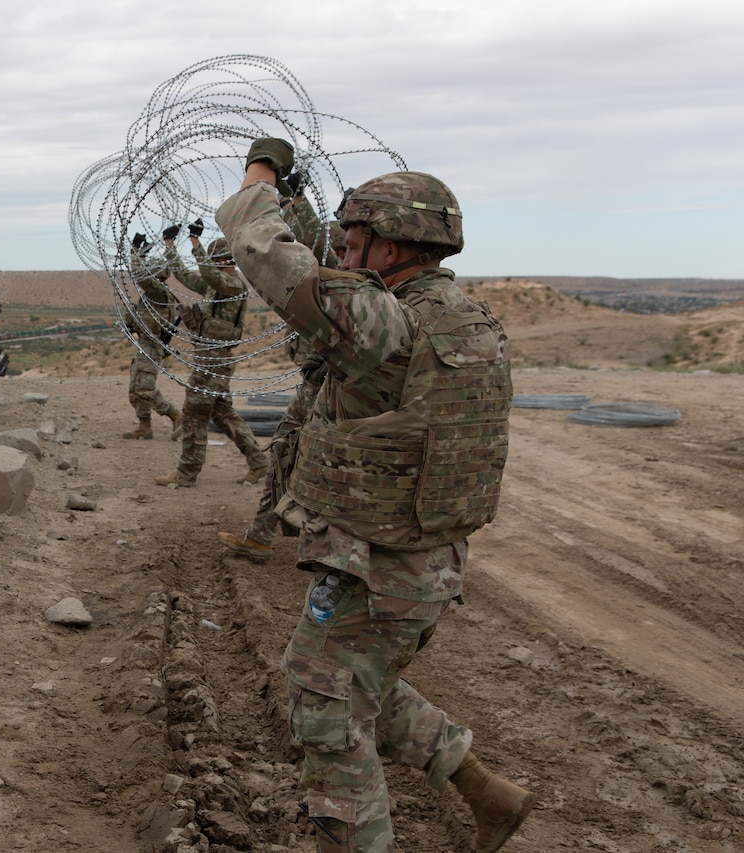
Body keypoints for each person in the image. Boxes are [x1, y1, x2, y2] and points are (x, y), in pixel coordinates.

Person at [214, 137, 532, 853]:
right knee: (363, 682)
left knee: (324, 707)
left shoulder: (385, 325)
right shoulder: (464, 319)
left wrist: (260, 177)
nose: (344, 253)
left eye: (355, 241)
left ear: (390, 250)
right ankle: (488, 793)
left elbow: (267, 250)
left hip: (375, 568)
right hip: (428, 563)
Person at [217, 221, 345, 559]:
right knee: (286, 452)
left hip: (337, 387)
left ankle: (331, 544)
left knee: (326, 463)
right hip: (318, 381)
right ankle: (263, 533)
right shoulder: (339, 287)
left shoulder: (359, 291)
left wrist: (297, 205)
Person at [154, 222, 268, 487]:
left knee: (194, 412)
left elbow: (209, 274)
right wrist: (170, 247)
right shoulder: (213, 286)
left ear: (223, 261)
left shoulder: (232, 286)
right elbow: (183, 275)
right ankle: (258, 462)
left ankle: (186, 473)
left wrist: (195, 243)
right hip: (209, 357)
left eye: (215, 260)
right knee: (222, 413)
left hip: (215, 360)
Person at [122, 230, 183, 440]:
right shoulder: (151, 295)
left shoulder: (159, 293)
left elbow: (139, 275)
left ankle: (175, 415)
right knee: (134, 390)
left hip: (152, 347)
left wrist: (135, 252)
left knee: (145, 389)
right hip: (144, 345)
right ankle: (144, 426)